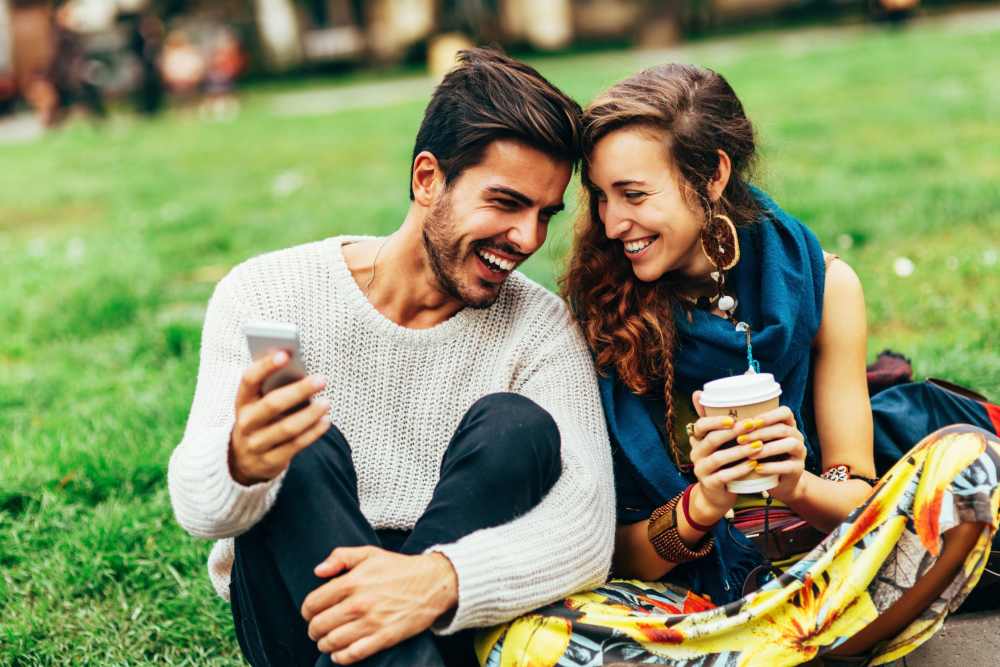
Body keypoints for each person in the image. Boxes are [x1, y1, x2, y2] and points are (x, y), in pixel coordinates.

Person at [482, 63, 1000, 666]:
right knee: (530, 639)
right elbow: (611, 554)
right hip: (692, 598)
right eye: (599, 196)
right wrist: (702, 505)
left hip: (828, 565)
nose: (611, 222)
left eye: (634, 194)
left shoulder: (825, 285)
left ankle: (775, 644)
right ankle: (808, 643)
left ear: (713, 174)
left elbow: (855, 489)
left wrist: (796, 484)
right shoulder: (594, 313)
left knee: (971, 468)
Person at [167, 48, 615, 667]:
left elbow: (588, 529)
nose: (529, 239)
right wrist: (242, 460)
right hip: (296, 611)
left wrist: (435, 579)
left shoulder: (538, 327)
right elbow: (196, 509)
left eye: (545, 215)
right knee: (296, 436)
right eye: (506, 203)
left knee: (518, 426)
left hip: (450, 613)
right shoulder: (266, 292)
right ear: (428, 178)